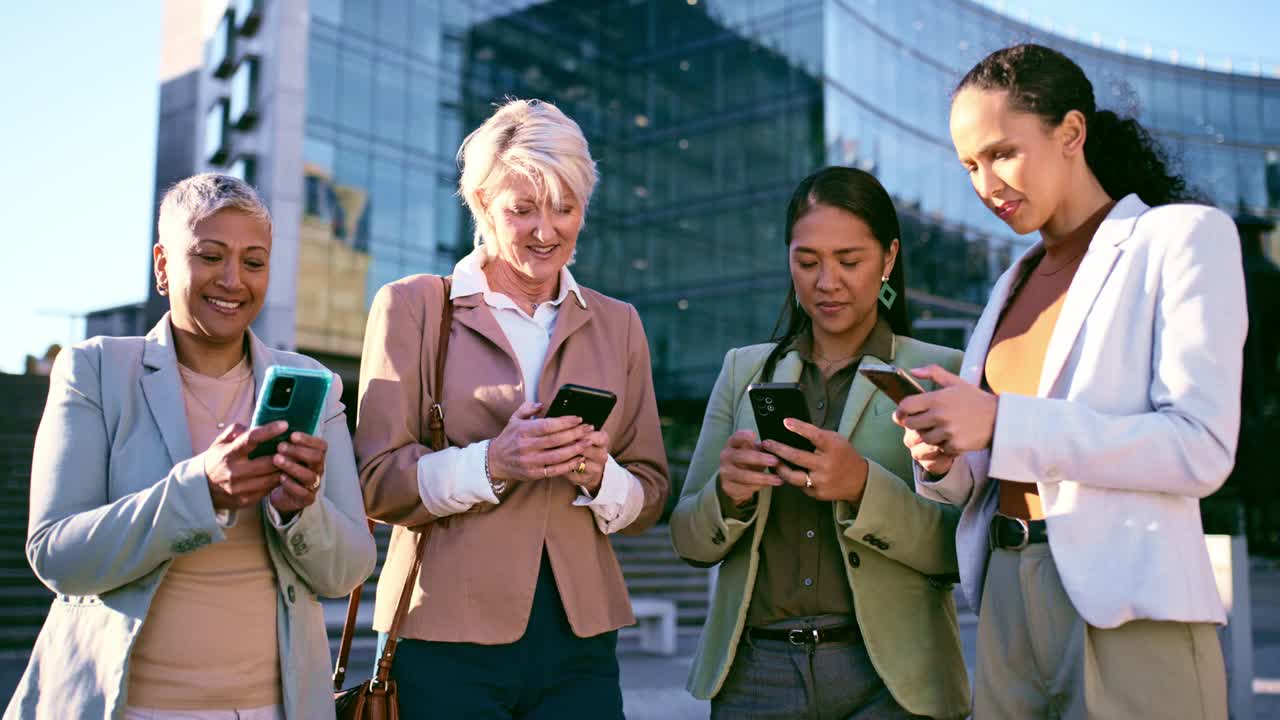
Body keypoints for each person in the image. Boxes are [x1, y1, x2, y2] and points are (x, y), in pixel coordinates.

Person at [896, 43, 1245, 719]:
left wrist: (1000, 422)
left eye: (1001, 152)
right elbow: (998, 462)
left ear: (1071, 133)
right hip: (1005, 601)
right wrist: (946, 457)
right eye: (969, 164)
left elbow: (1199, 447)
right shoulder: (1009, 283)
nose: (985, 184)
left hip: (1129, 610)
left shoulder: (1180, 238)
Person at [6, 173, 376, 720]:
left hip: (273, 708)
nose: (233, 280)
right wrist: (200, 490)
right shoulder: (96, 369)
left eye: (254, 262)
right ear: (162, 265)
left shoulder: (313, 386)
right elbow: (57, 551)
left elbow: (347, 571)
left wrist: (300, 511)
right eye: (209, 256)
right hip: (127, 707)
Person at [353, 98, 670, 719]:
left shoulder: (619, 325)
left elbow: (651, 495)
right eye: (521, 210)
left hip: (581, 642)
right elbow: (374, 483)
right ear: (479, 204)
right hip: (444, 634)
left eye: (565, 208)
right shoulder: (413, 308)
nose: (546, 231)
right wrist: (493, 463)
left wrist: (599, 475)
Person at [670, 166, 971, 719]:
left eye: (849, 261)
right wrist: (728, 494)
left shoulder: (942, 373)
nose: (826, 282)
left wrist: (861, 488)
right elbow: (690, 540)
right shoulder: (744, 371)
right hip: (756, 674)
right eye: (807, 262)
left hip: (892, 680)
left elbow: (964, 552)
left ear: (888, 257)